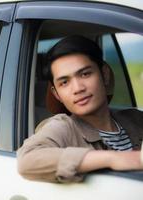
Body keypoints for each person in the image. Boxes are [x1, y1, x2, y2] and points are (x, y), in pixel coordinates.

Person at [17, 35, 143, 183]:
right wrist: (115, 159)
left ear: (104, 74)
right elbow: (27, 159)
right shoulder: (63, 126)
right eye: (64, 82)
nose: (77, 88)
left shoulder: (135, 117)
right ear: (56, 94)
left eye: (85, 74)